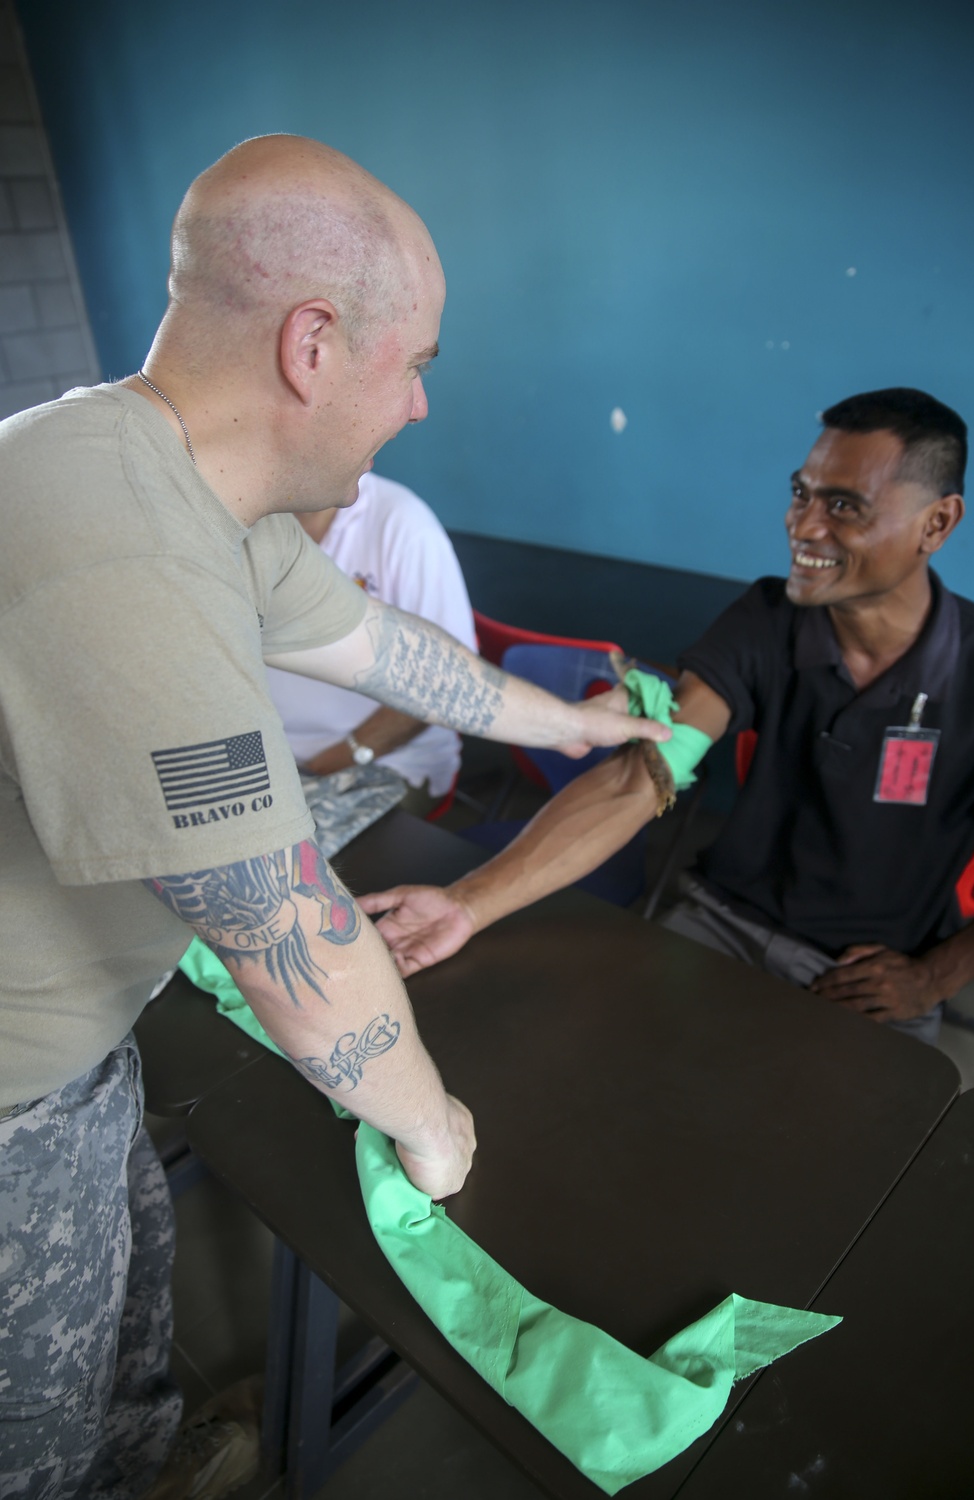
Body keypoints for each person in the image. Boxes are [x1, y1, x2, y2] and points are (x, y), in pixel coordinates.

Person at [0, 135, 668, 1500]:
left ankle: (151, 1456)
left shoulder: (173, 477)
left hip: (77, 1035)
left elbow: (386, 649)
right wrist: (434, 1126)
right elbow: (290, 940)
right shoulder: (122, 557)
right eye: (417, 358)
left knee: (129, 1316)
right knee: (31, 1438)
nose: (421, 403)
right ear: (314, 344)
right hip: (10, 1100)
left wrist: (575, 724)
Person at [361, 389, 974, 1048]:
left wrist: (935, 978)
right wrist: (467, 904)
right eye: (801, 494)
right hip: (718, 924)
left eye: (844, 506)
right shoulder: (768, 618)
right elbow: (645, 776)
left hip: (870, 978)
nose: (803, 527)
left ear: (938, 523)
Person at [266, 469, 477, 816]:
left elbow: (446, 678)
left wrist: (341, 757)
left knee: (295, 860)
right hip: (270, 757)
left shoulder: (404, 524)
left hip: (385, 761)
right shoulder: (246, 511)